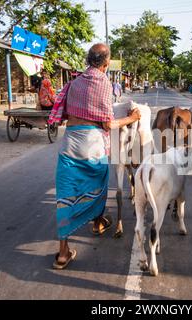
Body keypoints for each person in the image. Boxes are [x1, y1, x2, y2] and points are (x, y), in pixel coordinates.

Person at [49, 43, 141, 270]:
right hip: (93, 146)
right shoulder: (104, 83)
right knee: (98, 187)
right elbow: (108, 124)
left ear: (88, 60)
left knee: (65, 196)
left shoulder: (74, 82)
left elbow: (65, 113)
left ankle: (63, 253)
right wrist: (132, 118)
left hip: (70, 144)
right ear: (107, 63)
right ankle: (97, 221)